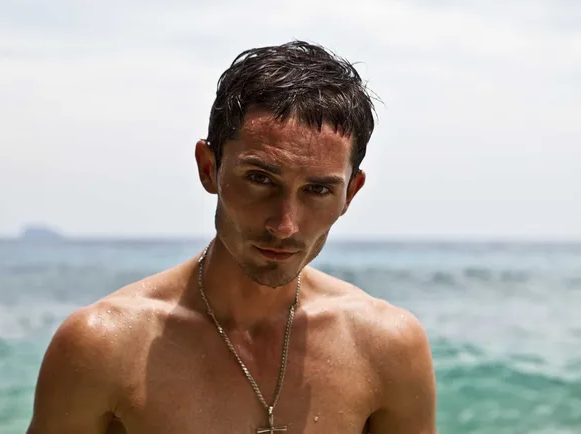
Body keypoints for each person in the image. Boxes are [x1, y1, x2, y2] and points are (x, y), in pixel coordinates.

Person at [26, 41, 437, 434]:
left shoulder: (386, 347)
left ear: (351, 193)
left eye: (317, 190)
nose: (285, 225)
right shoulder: (103, 346)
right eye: (260, 179)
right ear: (209, 168)